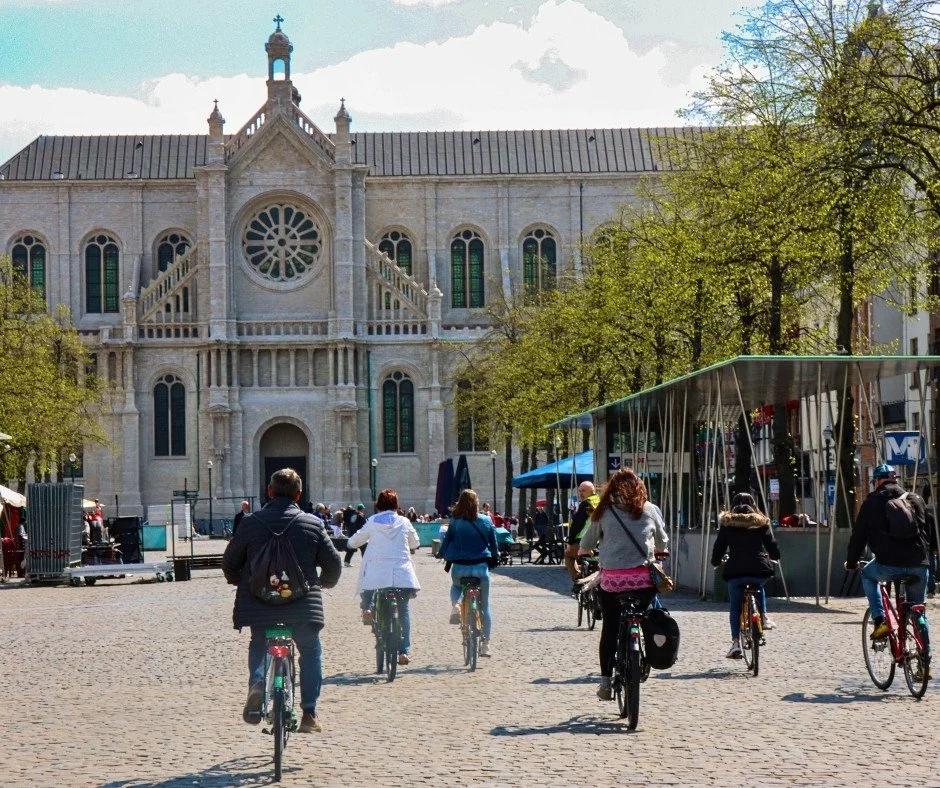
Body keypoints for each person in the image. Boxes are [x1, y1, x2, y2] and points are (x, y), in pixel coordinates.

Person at [222, 468, 342, 734]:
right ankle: (309, 713)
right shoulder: (312, 523)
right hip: (302, 605)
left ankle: (257, 684)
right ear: (299, 494)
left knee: (259, 643)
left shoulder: (251, 523)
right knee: (310, 651)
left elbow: (229, 562)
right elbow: (333, 563)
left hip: (260, 604)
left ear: (269, 491)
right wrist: (324, 583)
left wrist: (237, 580)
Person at [579, 467, 667, 700]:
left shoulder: (603, 511)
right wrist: (659, 550)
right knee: (647, 616)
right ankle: (644, 657)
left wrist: (585, 551)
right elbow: (662, 541)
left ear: (611, 487)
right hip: (643, 582)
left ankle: (606, 682)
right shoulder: (649, 509)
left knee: (609, 627)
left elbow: (586, 544)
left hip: (613, 582)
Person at [845, 464, 933, 667]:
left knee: (868, 575)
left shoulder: (871, 503)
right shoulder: (915, 498)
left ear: (877, 481)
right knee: (918, 610)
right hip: (919, 564)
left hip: (888, 564)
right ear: (895, 480)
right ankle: (924, 661)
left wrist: (851, 562)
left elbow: (858, 537)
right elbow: (926, 532)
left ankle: (880, 620)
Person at [347, 489, 421, 664]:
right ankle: (404, 651)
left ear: (379, 505)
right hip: (402, 574)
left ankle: (369, 607)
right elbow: (416, 543)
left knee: (369, 585)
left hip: (377, 573)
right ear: (396, 505)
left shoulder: (372, 521)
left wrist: (350, 542)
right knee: (403, 611)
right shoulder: (404, 521)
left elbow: (354, 541)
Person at [710, 492, 780, 659]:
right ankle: (763, 617)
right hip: (758, 568)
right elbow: (772, 545)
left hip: (735, 571)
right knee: (758, 585)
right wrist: (774, 556)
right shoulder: (760, 523)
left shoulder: (727, 524)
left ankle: (735, 643)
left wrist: (716, 561)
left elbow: (718, 547)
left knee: (735, 608)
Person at [439, 488, 500, 657]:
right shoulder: (486, 520)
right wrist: (496, 556)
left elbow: (446, 542)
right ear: (476, 503)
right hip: (480, 568)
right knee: (485, 607)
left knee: (456, 586)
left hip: (459, 567)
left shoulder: (455, 522)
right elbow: (493, 544)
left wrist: (441, 553)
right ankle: (486, 645)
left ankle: (456, 605)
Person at [566, 481, 599, 595]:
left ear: (592, 491)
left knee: (568, 555)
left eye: (583, 491)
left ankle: (577, 580)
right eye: (579, 491)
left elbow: (577, 525)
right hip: (601, 542)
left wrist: (570, 542)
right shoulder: (600, 501)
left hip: (584, 542)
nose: (580, 493)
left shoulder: (586, 503)